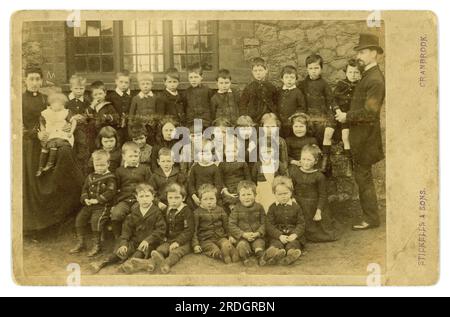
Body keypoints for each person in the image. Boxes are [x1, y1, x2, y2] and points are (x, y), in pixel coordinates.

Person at [22, 66, 84, 233]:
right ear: (25, 80)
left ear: (42, 81)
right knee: (35, 183)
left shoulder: (46, 99)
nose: (34, 83)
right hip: (31, 144)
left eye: (37, 79)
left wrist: (66, 127)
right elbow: (15, 125)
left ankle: (54, 222)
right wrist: (35, 134)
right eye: (31, 79)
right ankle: (34, 226)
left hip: (52, 141)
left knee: (55, 177)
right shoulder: (19, 100)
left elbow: (59, 116)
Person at [335, 33, 385, 231]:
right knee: (363, 178)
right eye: (358, 52)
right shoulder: (367, 76)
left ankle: (371, 219)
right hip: (361, 138)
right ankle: (371, 217)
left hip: (366, 140)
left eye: (363, 52)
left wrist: (346, 117)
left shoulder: (375, 80)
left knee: (363, 179)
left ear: (374, 53)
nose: (359, 57)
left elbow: (370, 113)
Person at [90, 183, 165, 274]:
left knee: (138, 253)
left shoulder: (157, 212)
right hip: (135, 241)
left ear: (153, 197)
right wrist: (124, 244)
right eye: (141, 196)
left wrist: (148, 241)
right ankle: (102, 263)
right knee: (121, 251)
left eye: (147, 196)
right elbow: (126, 231)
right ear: (136, 198)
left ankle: (127, 265)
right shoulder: (134, 212)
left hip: (149, 243)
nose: (145, 199)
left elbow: (160, 230)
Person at [69, 150, 117, 256]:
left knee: (96, 221)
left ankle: (97, 245)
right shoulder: (90, 177)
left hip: (103, 206)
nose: (99, 168)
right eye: (97, 165)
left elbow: (110, 192)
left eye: (102, 165)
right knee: (79, 219)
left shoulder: (110, 178)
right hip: (90, 205)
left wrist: (98, 200)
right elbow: (85, 189)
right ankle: (81, 243)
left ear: (108, 164)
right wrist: (85, 199)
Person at [289, 144, 339, 242]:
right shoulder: (294, 172)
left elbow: (322, 195)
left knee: (322, 232)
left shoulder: (319, 176)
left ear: (315, 161)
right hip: (300, 204)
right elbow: (291, 189)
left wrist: (319, 211)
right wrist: (293, 199)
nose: (306, 163)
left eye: (309, 160)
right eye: (303, 159)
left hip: (314, 205)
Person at [299, 54, 335, 172]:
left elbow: (330, 101)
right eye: (311, 68)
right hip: (308, 115)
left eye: (316, 68)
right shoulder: (303, 84)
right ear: (306, 69)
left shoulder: (324, 84)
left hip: (321, 116)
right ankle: (308, 165)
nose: (313, 71)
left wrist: (329, 117)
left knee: (321, 134)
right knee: (309, 139)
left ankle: (324, 164)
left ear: (321, 69)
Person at [148, 183, 194, 274]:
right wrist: (164, 236)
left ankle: (166, 264)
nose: (173, 201)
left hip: (183, 241)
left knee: (175, 252)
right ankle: (153, 263)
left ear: (183, 198)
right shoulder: (167, 210)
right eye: (170, 198)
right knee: (161, 249)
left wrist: (178, 242)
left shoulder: (186, 211)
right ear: (167, 198)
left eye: (177, 198)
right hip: (169, 239)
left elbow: (189, 230)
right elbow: (164, 225)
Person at [110, 142, 152, 238]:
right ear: (124, 156)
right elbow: (115, 188)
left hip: (139, 200)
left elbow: (150, 186)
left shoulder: (145, 169)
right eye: (130, 156)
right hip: (124, 200)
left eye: (135, 156)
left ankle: (135, 237)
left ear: (139, 156)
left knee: (137, 214)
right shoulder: (119, 171)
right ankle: (118, 238)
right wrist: (114, 204)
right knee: (116, 214)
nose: (133, 158)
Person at [192, 184, 239, 264]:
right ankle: (221, 255)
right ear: (200, 200)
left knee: (225, 243)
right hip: (205, 239)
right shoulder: (197, 213)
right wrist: (195, 244)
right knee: (212, 248)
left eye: (212, 199)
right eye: (205, 199)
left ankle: (231, 251)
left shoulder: (220, 210)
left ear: (216, 199)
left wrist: (230, 236)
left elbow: (226, 225)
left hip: (220, 236)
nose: (209, 202)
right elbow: (194, 230)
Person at [263, 176, 305, 266]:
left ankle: (291, 255)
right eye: (280, 194)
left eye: (286, 193)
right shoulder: (272, 208)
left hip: (292, 234)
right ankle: (275, 253)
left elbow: (301, 223)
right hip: (278, 235)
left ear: (291, 192)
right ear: (274, 194)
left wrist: (295, 234)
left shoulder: (296, 207)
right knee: (276, 243)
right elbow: (269, 224)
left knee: (293, 244)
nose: (283, 197)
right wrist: (279, 235)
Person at [35, 92, 77, 177]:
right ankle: (40, 167)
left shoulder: (65, 112)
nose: (61, 107)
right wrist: (43, 131)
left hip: (61, 133)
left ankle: (50, 164)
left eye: (63, 105)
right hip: (50, 133)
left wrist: (71, 131)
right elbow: (41, 123)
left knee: (54, 144)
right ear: (51, 104)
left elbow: (74, 121)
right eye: (59, 104)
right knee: (45, 147)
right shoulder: (46, 113)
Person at [228, 181, 266, 266]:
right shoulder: (236, 209)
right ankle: (246, 259)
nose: (246, 198)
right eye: (243, 195)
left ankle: (260, 257)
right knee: (242, 245)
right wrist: (243, 234)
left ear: (255, 195)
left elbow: (264, 223)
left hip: (256, 236)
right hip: (242, 237)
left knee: (259, 244)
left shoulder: (259, 207)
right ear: (239, 197)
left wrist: (258, 233)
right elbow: (231, 225)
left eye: (249, 194)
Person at [332, 59, 362, 160]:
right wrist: (338, 111)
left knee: (350, 137)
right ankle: (347, 161)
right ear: (346, 72)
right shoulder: (341, 84)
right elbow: (333, 99)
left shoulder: (361, 86)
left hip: (353, 116)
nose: (353, 75)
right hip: (340, 114)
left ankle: (353, 160)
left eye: (356, 72)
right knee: (343, 136)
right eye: (350, 72)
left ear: (360, 73)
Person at [239, 57, 278, 123]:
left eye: (260, 70)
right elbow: (243, 104)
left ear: (266, 71)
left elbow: (276, 102)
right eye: (255, 71)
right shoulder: (248, 88)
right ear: (252, 72)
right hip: (253, 118)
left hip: (267, 118)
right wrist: (245, 117)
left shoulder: (271, 87)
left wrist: (273, 114)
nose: (258, 73)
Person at [219, 137, 252, 213]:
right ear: (224, 152)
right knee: (228, 199)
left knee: (243, 198)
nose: (231, 153)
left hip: (240, 186)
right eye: (228, 151)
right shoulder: (222, 164)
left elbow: (248, 178)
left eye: (234, 151)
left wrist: (244, 188)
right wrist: (225, 189)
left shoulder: (242, 162)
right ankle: (232, 209)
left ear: (238, 151)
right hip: (227, 188)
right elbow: (220, 179)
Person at [187, 139, 223, 208]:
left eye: (207, 154)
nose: (204, 157)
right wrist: (194, 197)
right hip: (198, 196)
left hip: (212, 196)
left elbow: (218, 185)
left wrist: (213, 197)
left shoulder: (215, 168)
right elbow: (191, 184)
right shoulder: (195, 168)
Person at [66, 75, 91, 174]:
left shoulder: (86, 100)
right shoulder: (67, 100)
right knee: (71, 149)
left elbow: (89, 113)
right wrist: (71, 118)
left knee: (83, 147)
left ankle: (82, 170)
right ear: (71, 88)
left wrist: (84, 116)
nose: (79, 91)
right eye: (76, 88)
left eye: (81, 88)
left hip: (82, 128)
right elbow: (63, 112)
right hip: (70, 128)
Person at [275, 65, 306, 137]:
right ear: (282, 79)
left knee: (290, 137)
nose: (289, 80)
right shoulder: (279, 91)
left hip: (291, 122)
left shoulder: (298, 92)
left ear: (296, 79)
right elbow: (275, 103)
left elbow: (302, 107)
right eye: (286, 77)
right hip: (280, 121)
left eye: (292, 77)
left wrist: (294, 117)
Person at [128, 71, 158, 144]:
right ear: (139, 85)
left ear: (152, 85)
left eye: (148, 84)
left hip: (152, 128)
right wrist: (131, 129)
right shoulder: (136, 98)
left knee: (152, 143)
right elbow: (131, 115)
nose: (145, 86)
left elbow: (158, 113)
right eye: (143, 84)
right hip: (140, 128)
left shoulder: (155, 98)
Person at [107, 70, 134, 144]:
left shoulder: (133, 96)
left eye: (126, 82)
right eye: (121, 82)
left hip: (129, 127)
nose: (123, 85)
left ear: (130, 83)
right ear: (116, 81)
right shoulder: (110, 97)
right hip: (115, 127)